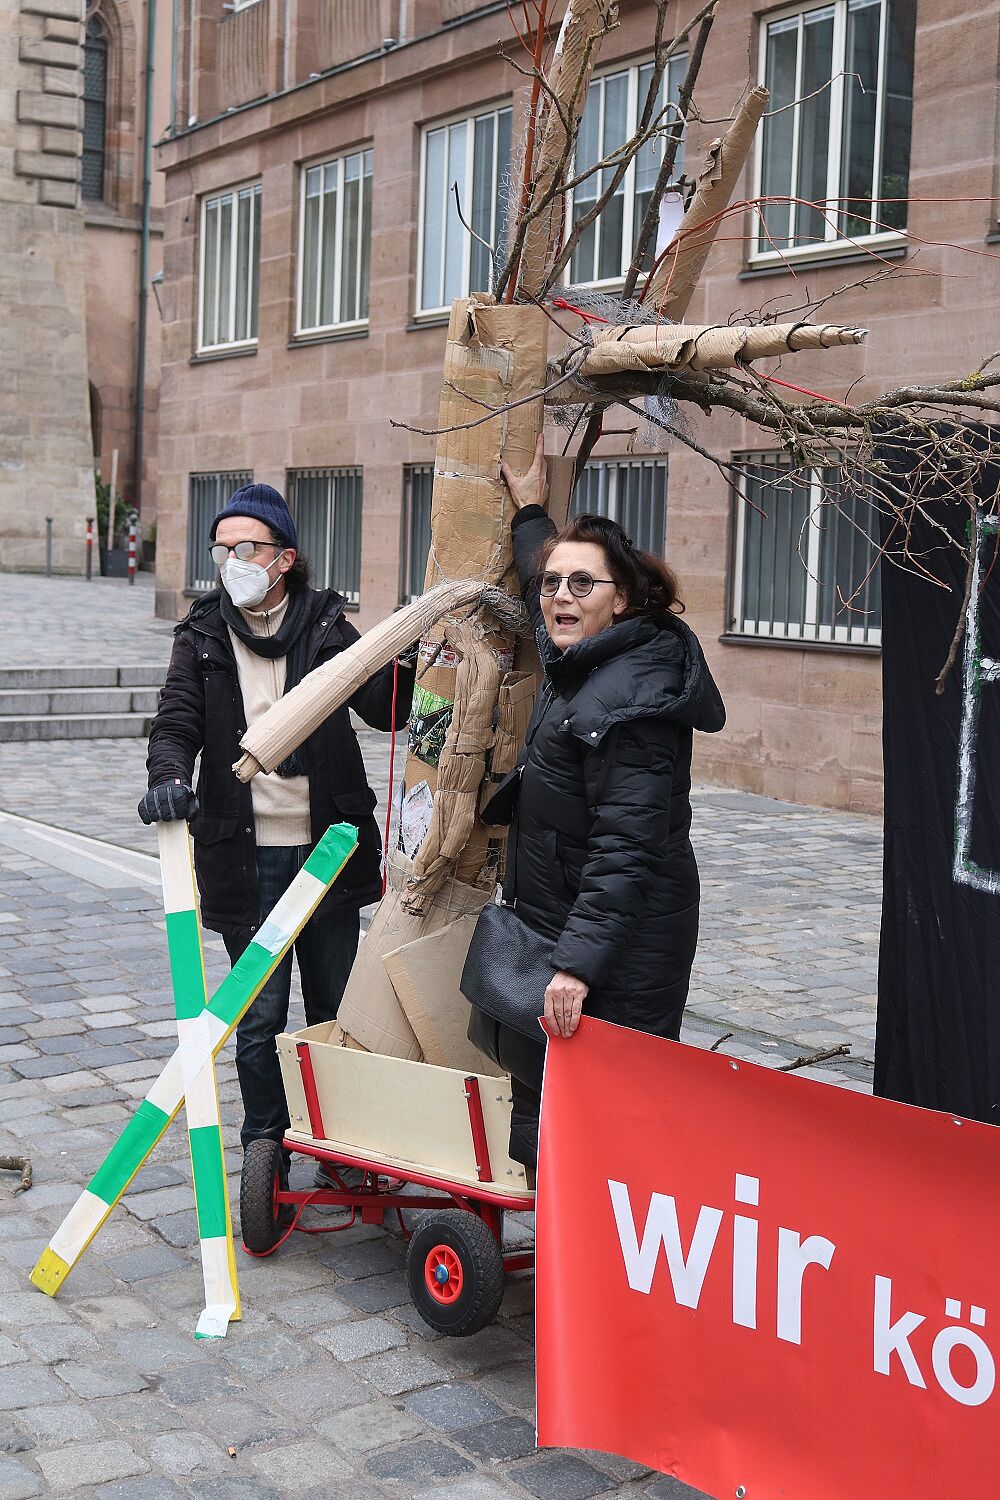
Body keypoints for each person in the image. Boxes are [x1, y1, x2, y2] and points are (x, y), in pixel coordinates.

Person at [139, 482, 414, 1169]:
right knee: (257, 1020)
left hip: (327, 847)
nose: (231, 557)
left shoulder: (326, 625)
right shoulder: (202, 632)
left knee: (329, 1010)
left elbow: (386, 711)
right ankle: (267, 1146)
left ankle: (338, 1144)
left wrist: (406, 658)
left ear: (284, 557)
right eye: (221, 547)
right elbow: (176, 722)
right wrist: (169, 780)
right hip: (244, 854)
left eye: (246, 547)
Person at [491, 439, 726, 1167]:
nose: (560, 595)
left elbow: (629, 844)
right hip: (565, 927)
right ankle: (565, 1263)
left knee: (618, 1124)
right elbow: (549, 600)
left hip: (623, 950)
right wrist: (532, 511)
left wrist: (577, 966)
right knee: (555, 1112)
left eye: (581, 585)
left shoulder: (634, 697)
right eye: (552, 583)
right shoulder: (583, 657)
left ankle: (613, 1271)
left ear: (621, 601)